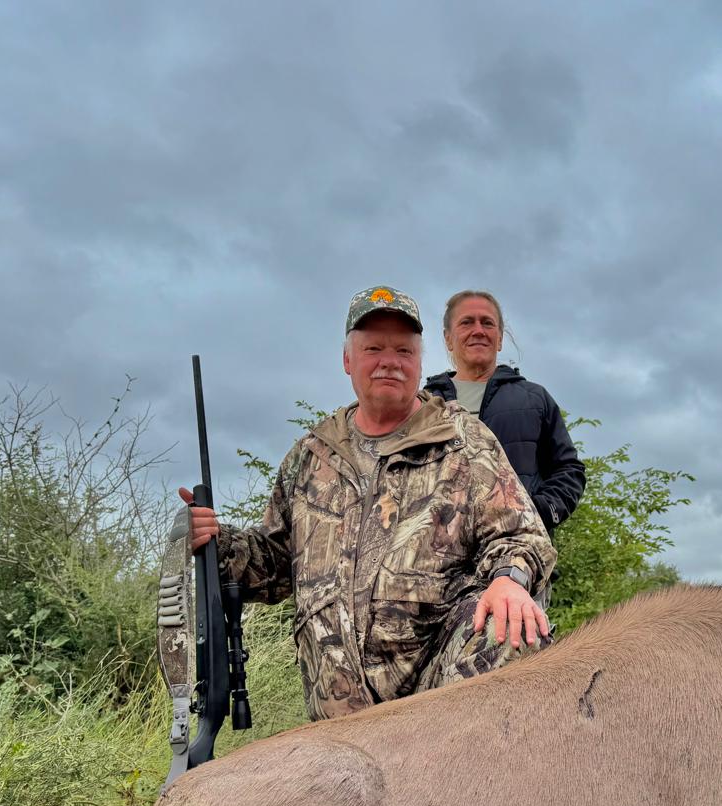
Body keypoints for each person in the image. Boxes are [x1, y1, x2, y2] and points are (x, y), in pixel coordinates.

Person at [180, 285, 557, 721]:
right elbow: (274, 562)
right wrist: (216, 543)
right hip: (341, 713)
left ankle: (465, 759)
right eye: (373, 348)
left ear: (419, 363)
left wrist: (509, 580)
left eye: (403, 350)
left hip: (438, 701)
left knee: (513, 625)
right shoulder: (313, 454)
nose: (389, 361)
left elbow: (521, 535)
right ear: (347, 360)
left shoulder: (463, 441)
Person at [424, 291, 585, 535]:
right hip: (435, 551)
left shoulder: (534, 399)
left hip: (517, 547)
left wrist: (538, 512)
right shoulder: (424, 405)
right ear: (448, 339)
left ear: (499, 339)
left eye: (487, 323)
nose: (478, 330)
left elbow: (569, 470)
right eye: (466, 322)